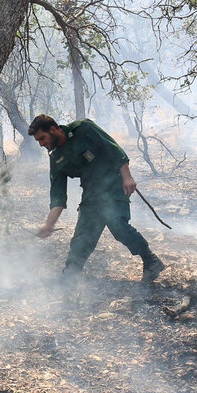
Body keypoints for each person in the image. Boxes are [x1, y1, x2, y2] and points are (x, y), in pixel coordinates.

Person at [29, 115, 165, 283]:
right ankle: (70, 275)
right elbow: (58, 196)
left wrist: (127, 177)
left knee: (117, 225)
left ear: (53, 129)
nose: (41, 144)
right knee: (83, 235)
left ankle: (151, 261)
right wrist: (48, 225)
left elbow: (113, 149)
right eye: (38, 141)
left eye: (42, 138)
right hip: (91, 194)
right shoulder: (56, 157)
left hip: (114, 185)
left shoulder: (83, 128)